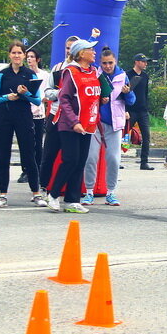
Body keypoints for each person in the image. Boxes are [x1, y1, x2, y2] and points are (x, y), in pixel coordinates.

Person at [47, 38, 101, 213]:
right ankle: (53, 194)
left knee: (80, 162)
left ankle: (72, 200)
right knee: (70, 159)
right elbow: (64, 99)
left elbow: (94, 97)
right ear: (80, 53)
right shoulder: (70, 72)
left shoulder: (93, 72)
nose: (94, 52)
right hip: (70, 124)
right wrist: (74, 121)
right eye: (90, 50)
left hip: (88, 124)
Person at [0, 41, 45, 208]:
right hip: (4, 118)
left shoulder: (30, 74)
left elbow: (37, 100)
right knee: (3, 156)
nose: (16, 56)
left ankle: (36, 193)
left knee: (29, 155)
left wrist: (25, 93)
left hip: (24, 117)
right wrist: (8, 97)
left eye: (19, 53)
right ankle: (2, 195)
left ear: (24, 55)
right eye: (13, 53)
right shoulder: (2, 74)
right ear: (9, 55)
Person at [83, 47, 133, 206]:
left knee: (113, 158)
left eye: (110, 63)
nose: (107, 66)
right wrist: (99, 100)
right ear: (100, 63)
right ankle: (89, 191)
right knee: (91, 157)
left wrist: (127, 93)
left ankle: (111, 192)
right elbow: (88, 96)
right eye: (104, 63)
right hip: (96, 122)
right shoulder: (95, 74)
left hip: (115, 123)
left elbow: (131, 101)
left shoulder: (122, 76)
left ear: (115, 62)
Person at [39, 35, 80, 193]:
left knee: (72, 157)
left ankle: (70, 191)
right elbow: (47, 92)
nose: (69, 51)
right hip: (56, 115)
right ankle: (43, 187)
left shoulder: (83, 70)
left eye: (72, 48)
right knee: (49, 154)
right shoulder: (57, 68)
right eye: (67, 48)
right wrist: (61, 93)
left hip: (74, 119)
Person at [21, 48, 49, 185]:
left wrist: (42, 98)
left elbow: (47, 92)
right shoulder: (24, 74)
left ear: (37, 59)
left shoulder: (44, 75)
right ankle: (25, 169)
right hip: (26, 111)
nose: (29, 59)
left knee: (38, 142)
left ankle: (38, 169)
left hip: (38, 111)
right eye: (28, 57)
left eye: (32, 57)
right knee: (25, 142)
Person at [125, 53, 154, 170]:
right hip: (130, 111)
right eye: (143, 61)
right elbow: (123, 94)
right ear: (136, 62)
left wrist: (146, 107)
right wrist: (125, 110)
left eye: (146, 61)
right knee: (124, 135)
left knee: (146, 136)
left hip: (142, 111)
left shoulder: (145, 76)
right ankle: (119, 158)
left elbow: (146, 93)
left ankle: (144, 162)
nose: (146, 63)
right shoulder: (127, 75)